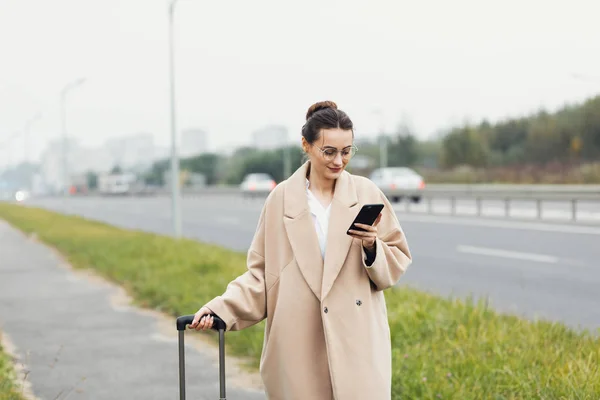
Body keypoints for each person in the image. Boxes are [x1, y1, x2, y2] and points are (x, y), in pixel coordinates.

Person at [190, 100, 412, 399]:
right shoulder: (280, 199)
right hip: (298, 342)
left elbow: (396, 258)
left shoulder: (366, 193)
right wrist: (220, 309)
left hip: (357, 343)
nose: (338, 161)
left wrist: (372, 246)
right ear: (306, 145)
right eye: (329, 151)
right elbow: (262, 275)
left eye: (346, 152)